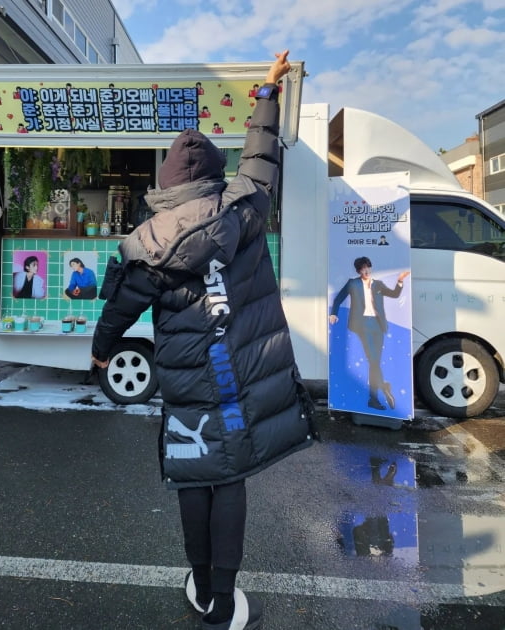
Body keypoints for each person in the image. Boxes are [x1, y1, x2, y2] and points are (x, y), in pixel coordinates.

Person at [91, 50, 318, 630]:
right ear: (215, 173)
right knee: (229, 477)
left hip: (188, 378)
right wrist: (267, 92)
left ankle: (200, 583)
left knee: (196, 474)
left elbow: (120, 309)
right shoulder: (245, 206)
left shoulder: (144, 245)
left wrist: (101, 350)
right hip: (238, 375)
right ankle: (223, 599)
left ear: (165, 186)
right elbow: (262, 154)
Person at [328, 256, 410, 410]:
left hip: (378, 325)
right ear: (358, 270)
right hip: (362, 324)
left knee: (375, 362)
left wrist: (400, 281)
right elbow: (338, 299)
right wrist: (334, 313)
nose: (365, 270)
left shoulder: (378, 284)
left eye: (367, 267)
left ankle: (374, 398)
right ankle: (383, 389)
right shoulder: (353, 283)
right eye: (362, 268)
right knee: (373, 360)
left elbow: (394, 294)